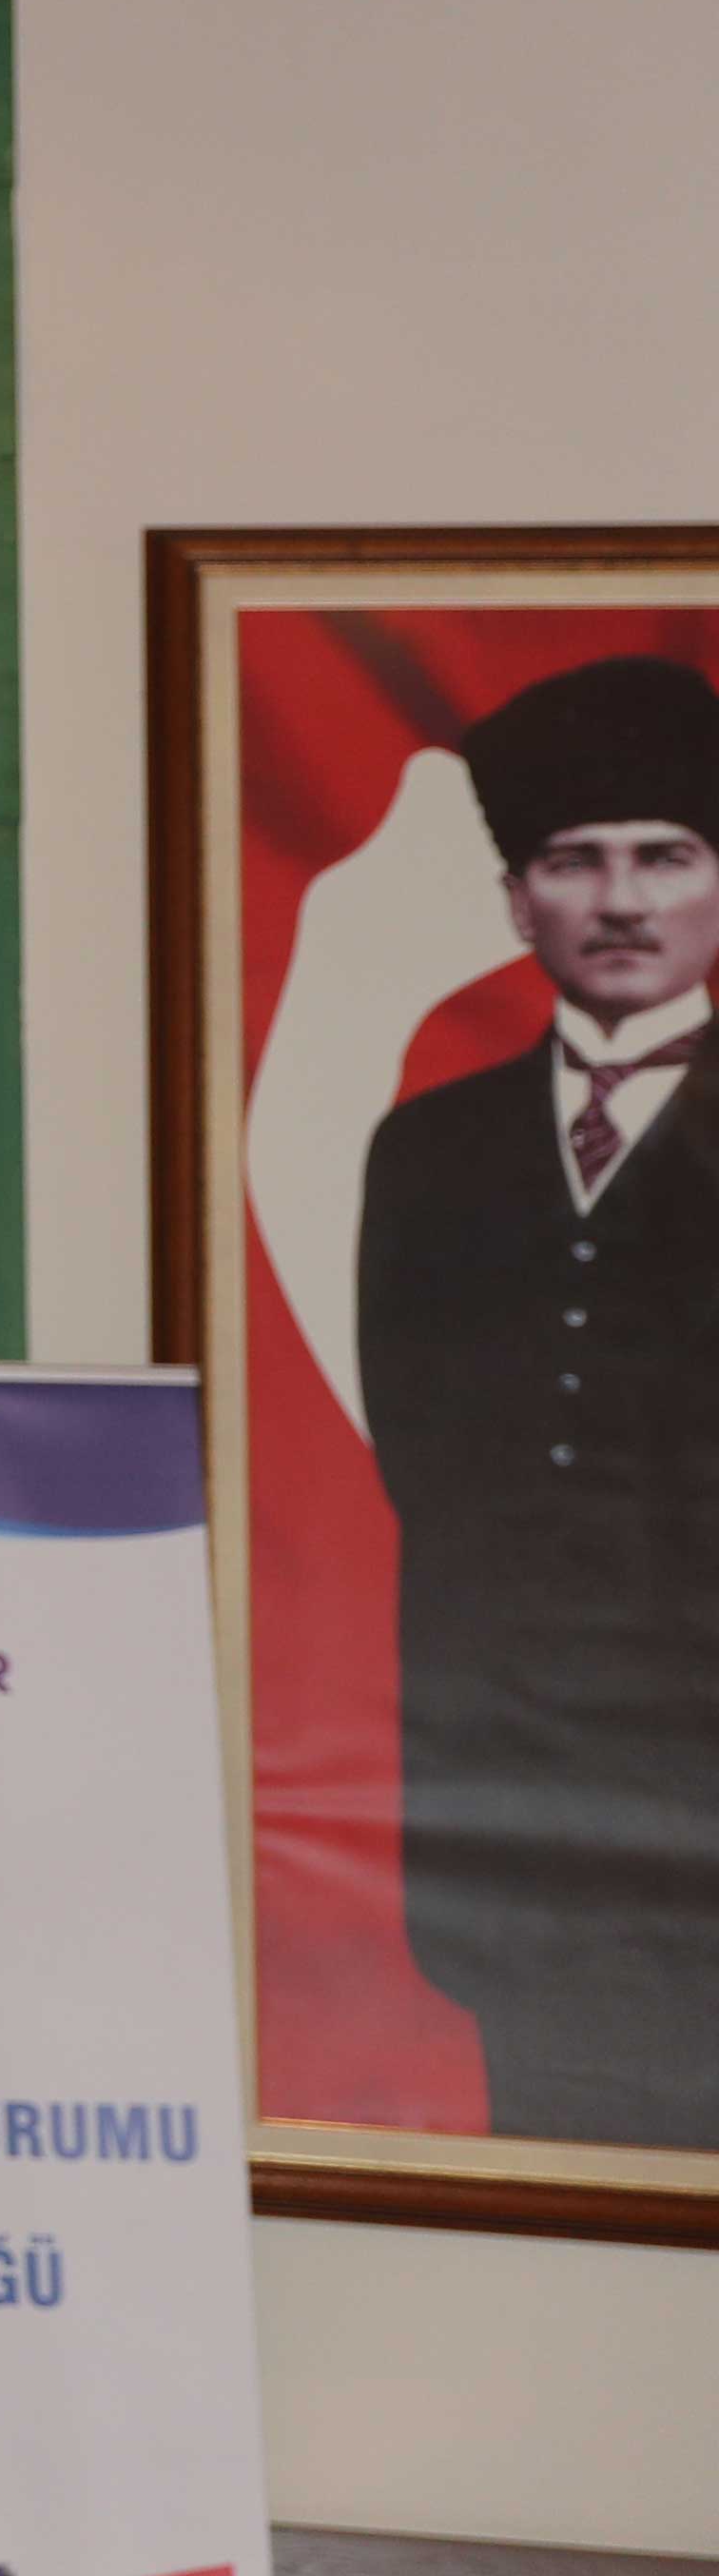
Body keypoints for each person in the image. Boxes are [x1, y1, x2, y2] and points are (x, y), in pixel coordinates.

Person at [356, 651, 719, 2152]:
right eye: (575, 861)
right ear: (518, 902)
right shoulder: (428, 1154)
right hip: (511, 1828)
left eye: (666, 856)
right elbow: (423, 1468)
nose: (621, 899)